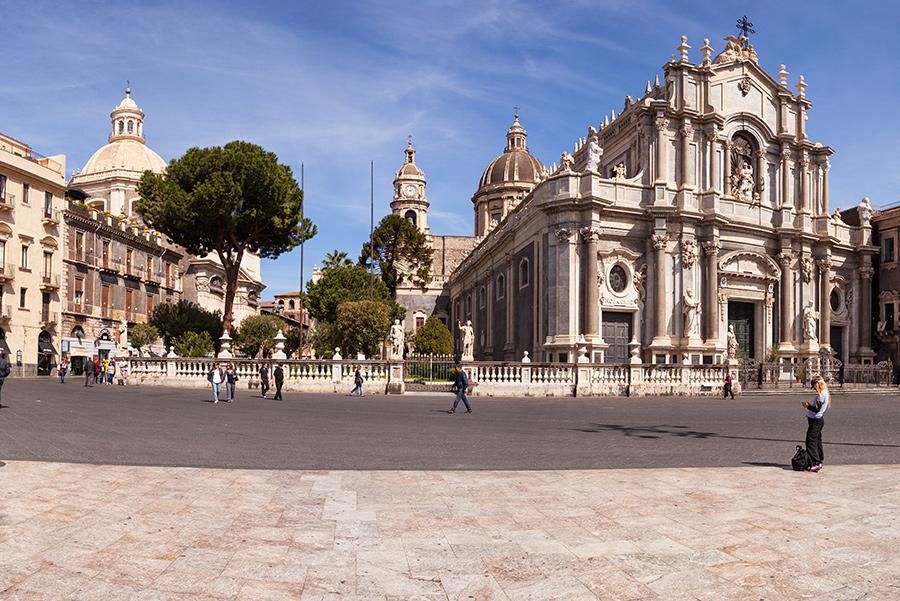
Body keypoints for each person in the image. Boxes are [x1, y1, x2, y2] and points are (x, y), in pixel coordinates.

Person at [802, 376, 830, 473]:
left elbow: (816, 409)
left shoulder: (821, 395)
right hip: (818, 420)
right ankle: (819, 460)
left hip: (815, 421)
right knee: (817, 441)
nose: (814, 388)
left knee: (810, 441)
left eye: (814, 386)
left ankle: (815, 462)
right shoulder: (825, 392)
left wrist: (807, 406)